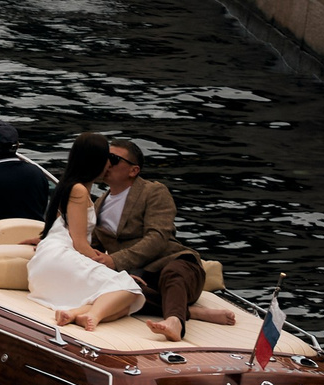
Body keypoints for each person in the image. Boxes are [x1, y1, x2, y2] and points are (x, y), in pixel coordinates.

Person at [87, 136, 237, 343]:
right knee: (111, 291)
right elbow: (91, 247)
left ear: (133, 170)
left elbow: (158, 237)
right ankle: (190, 311)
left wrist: (116, 261)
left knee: (173, 272)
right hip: (140, 280)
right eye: (105, 158)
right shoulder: (98, 205)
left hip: (176, 264)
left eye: (113, 159)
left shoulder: (153, 191)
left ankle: (175, 321)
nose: (106, 163)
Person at [24, 136, 144, 331]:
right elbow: (80, 243)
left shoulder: (69, 185)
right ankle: (93, 315)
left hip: (50, 257)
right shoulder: (78, 190)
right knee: (130, 289)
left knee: (127, 305)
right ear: (96, 160)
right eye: (109, 158)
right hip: (61, 257)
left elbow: (61, 225)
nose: (110, 165)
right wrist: (112, 268)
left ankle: (77, 313)